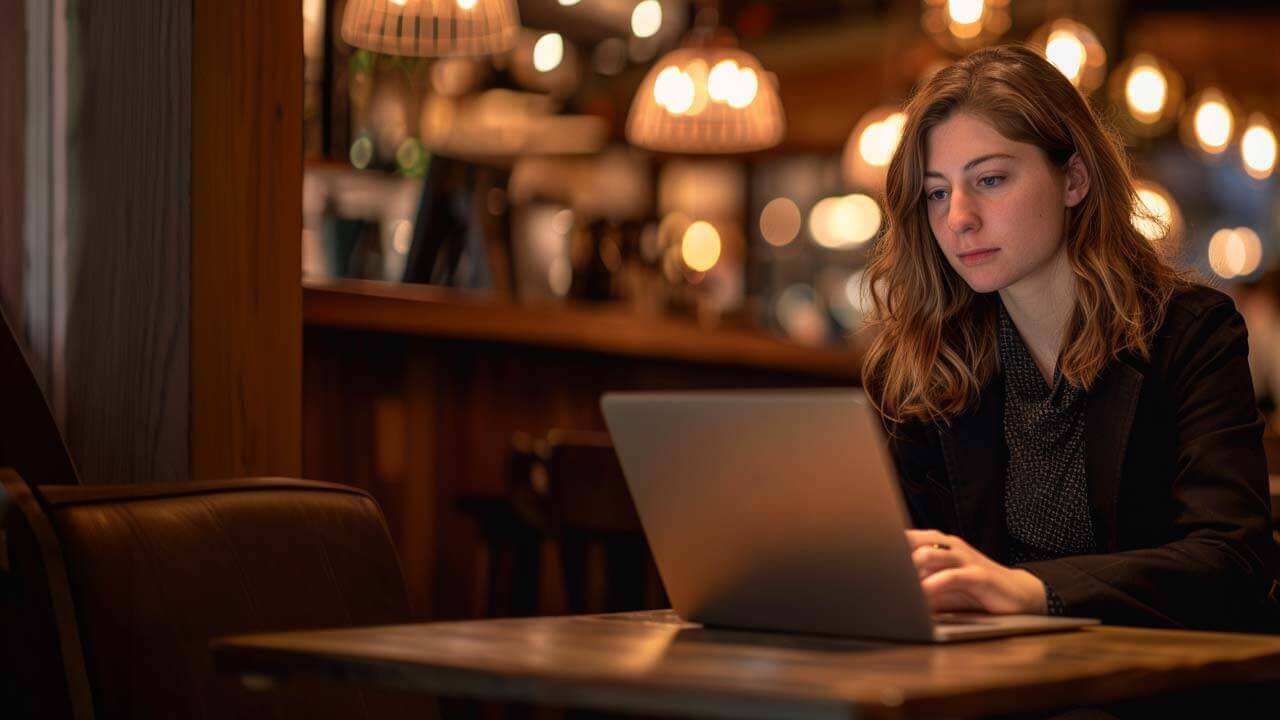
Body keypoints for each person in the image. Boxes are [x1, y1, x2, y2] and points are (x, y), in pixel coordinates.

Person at [861, 44, 1280, 631]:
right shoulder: (930, 358)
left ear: (1074, 179)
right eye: (936, 191)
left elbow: (1232, 559)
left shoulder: (1190, 334)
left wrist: (1032, 591)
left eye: (990, 178)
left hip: (1146, 686)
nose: (958, 216)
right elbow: (898, 559)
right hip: (978, 677)